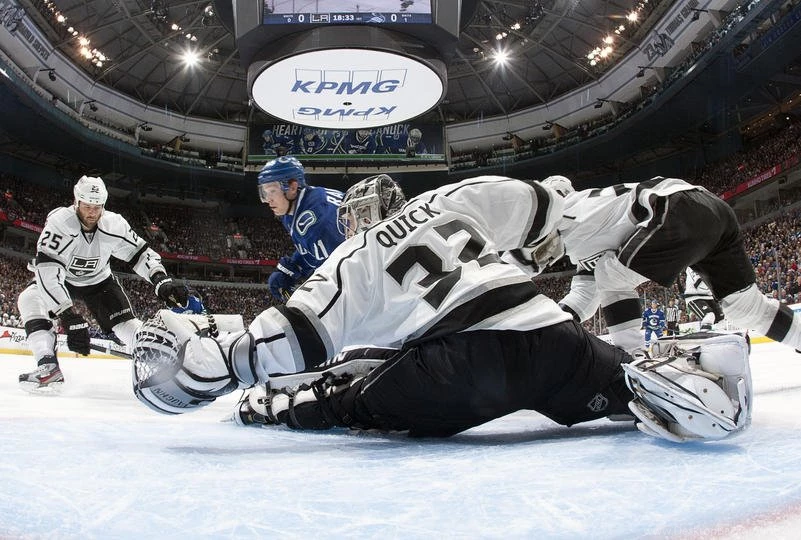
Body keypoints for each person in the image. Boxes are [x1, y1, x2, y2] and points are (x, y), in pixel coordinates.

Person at [131, 174, 752, 443]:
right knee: (618, 384)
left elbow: (293, 336)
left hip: (459, 369)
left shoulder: (351, 258)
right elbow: (544, 208)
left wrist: (222, 365)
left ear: (360, 217)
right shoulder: (453, 197)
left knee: (355, 396)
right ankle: (689, 376)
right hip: (547, 333)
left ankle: (284, 411)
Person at [539, 175, 801, 353]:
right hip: (713, 208)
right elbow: (584, 295)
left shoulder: (565, 214)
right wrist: (554, 323)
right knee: (746, 308)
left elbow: (522, 264)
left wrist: (533, 325)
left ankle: (631, 363)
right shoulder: (591, 227)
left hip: (676, 208)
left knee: (612, 277)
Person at [17, 175, 188, 393]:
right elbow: (47, 270)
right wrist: (67, 314)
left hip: (99, 281)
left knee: (128, 326)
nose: (91, 212)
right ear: (76, 202)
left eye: (97, 207)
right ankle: (48, 365)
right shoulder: (59, 222)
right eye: (87, 206)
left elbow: (140, 253)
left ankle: (167, 364)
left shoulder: (114, 224)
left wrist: (160, 280)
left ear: (103, 205)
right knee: (30, 298)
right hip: (64, 280)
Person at [257, 156, 345, 301]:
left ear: (292, 187)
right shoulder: (295, 209)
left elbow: (341, 274)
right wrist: (294, 266)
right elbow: (313, 249)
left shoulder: (319, 219)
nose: (268, 199)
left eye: (272, 191)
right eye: (264, 193)